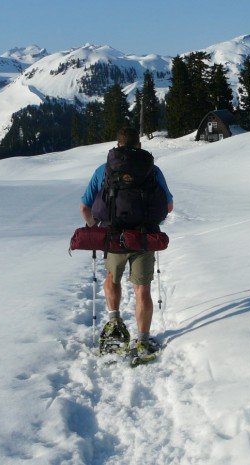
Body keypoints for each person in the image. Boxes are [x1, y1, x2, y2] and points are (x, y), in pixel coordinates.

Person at [80, 127, 173, 357]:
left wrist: (94, 227)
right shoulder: (152, 170)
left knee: (112, 278)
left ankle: (114, 323)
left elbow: (85, 206)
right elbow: (168, 206)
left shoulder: (104, 170)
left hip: (113, 236)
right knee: (142, 289)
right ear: (139, 145)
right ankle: (142, 340)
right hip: (144, 236)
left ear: (117, 145)